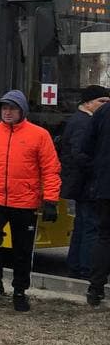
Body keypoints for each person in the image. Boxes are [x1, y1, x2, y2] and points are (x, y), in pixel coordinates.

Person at [0, 91, 61, 313]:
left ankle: (20, 290)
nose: (7, 112)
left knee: (22, 249)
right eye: (4, 108)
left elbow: (50, 169)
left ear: (22, 111)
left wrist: (50, 200)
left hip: (25, 202)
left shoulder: (40, 135)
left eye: (12, 108)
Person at [60, 85, 110, 281]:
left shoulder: (80, 119)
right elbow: (80, 154)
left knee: (81, 226)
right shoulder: (83, 123)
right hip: (86, 184)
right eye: (102, 101)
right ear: (88, 102)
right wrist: (100, 167)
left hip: (81, 184)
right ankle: (86, 268)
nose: (106, 105)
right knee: (91, 227)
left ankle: (76, 265)